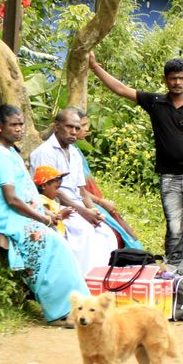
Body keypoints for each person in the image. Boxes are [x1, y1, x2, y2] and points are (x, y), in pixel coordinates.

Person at [88, 54, 183, 271]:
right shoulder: (156, 103)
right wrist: (95, 66)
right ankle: (173, 272)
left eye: (182, 78)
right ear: (165, 80)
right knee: (174, 229)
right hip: (169, 179)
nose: (177, 82)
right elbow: (120, 89)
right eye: (173, 78)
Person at [0, 104, 88, 325]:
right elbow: (12, 198)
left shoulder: (9, 151)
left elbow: (25, 192)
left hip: (13, 210)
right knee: (48, 241)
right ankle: (58, 311)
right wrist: (42, 218)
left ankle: (76, 307)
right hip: (0, 213)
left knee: (59, 242)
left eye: (21, 124)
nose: (19, 129)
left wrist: (44, 212)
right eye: (14, 125)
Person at [29, 109, 120, 275]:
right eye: (69, 127)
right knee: (84, 233)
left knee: (107, 234)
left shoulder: (74, 153)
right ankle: (81, 281)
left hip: (77, 206)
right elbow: (53, 192)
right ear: (57, 127)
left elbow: (82, 190)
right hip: (55, 207)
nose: (73, 132)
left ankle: (100, 281)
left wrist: (93, 211)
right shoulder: (45, 152)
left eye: (77, 128)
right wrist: (84, 212)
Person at [72, 109, 143, 250]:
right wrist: (99, 202)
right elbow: (75, 188)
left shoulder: (75, 150)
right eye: (83, 125)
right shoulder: (66, 151)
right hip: (80, 202)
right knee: (114, 232)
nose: (87, 129)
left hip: (90, 200)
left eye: (87, 124)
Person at [32, 165, 70, 236]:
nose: (58, 191)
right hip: (53, 236)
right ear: (43, 186)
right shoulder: (42, 200)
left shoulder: (51, 200)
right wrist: (61, 215)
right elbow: (46, 217)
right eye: (56, 188)